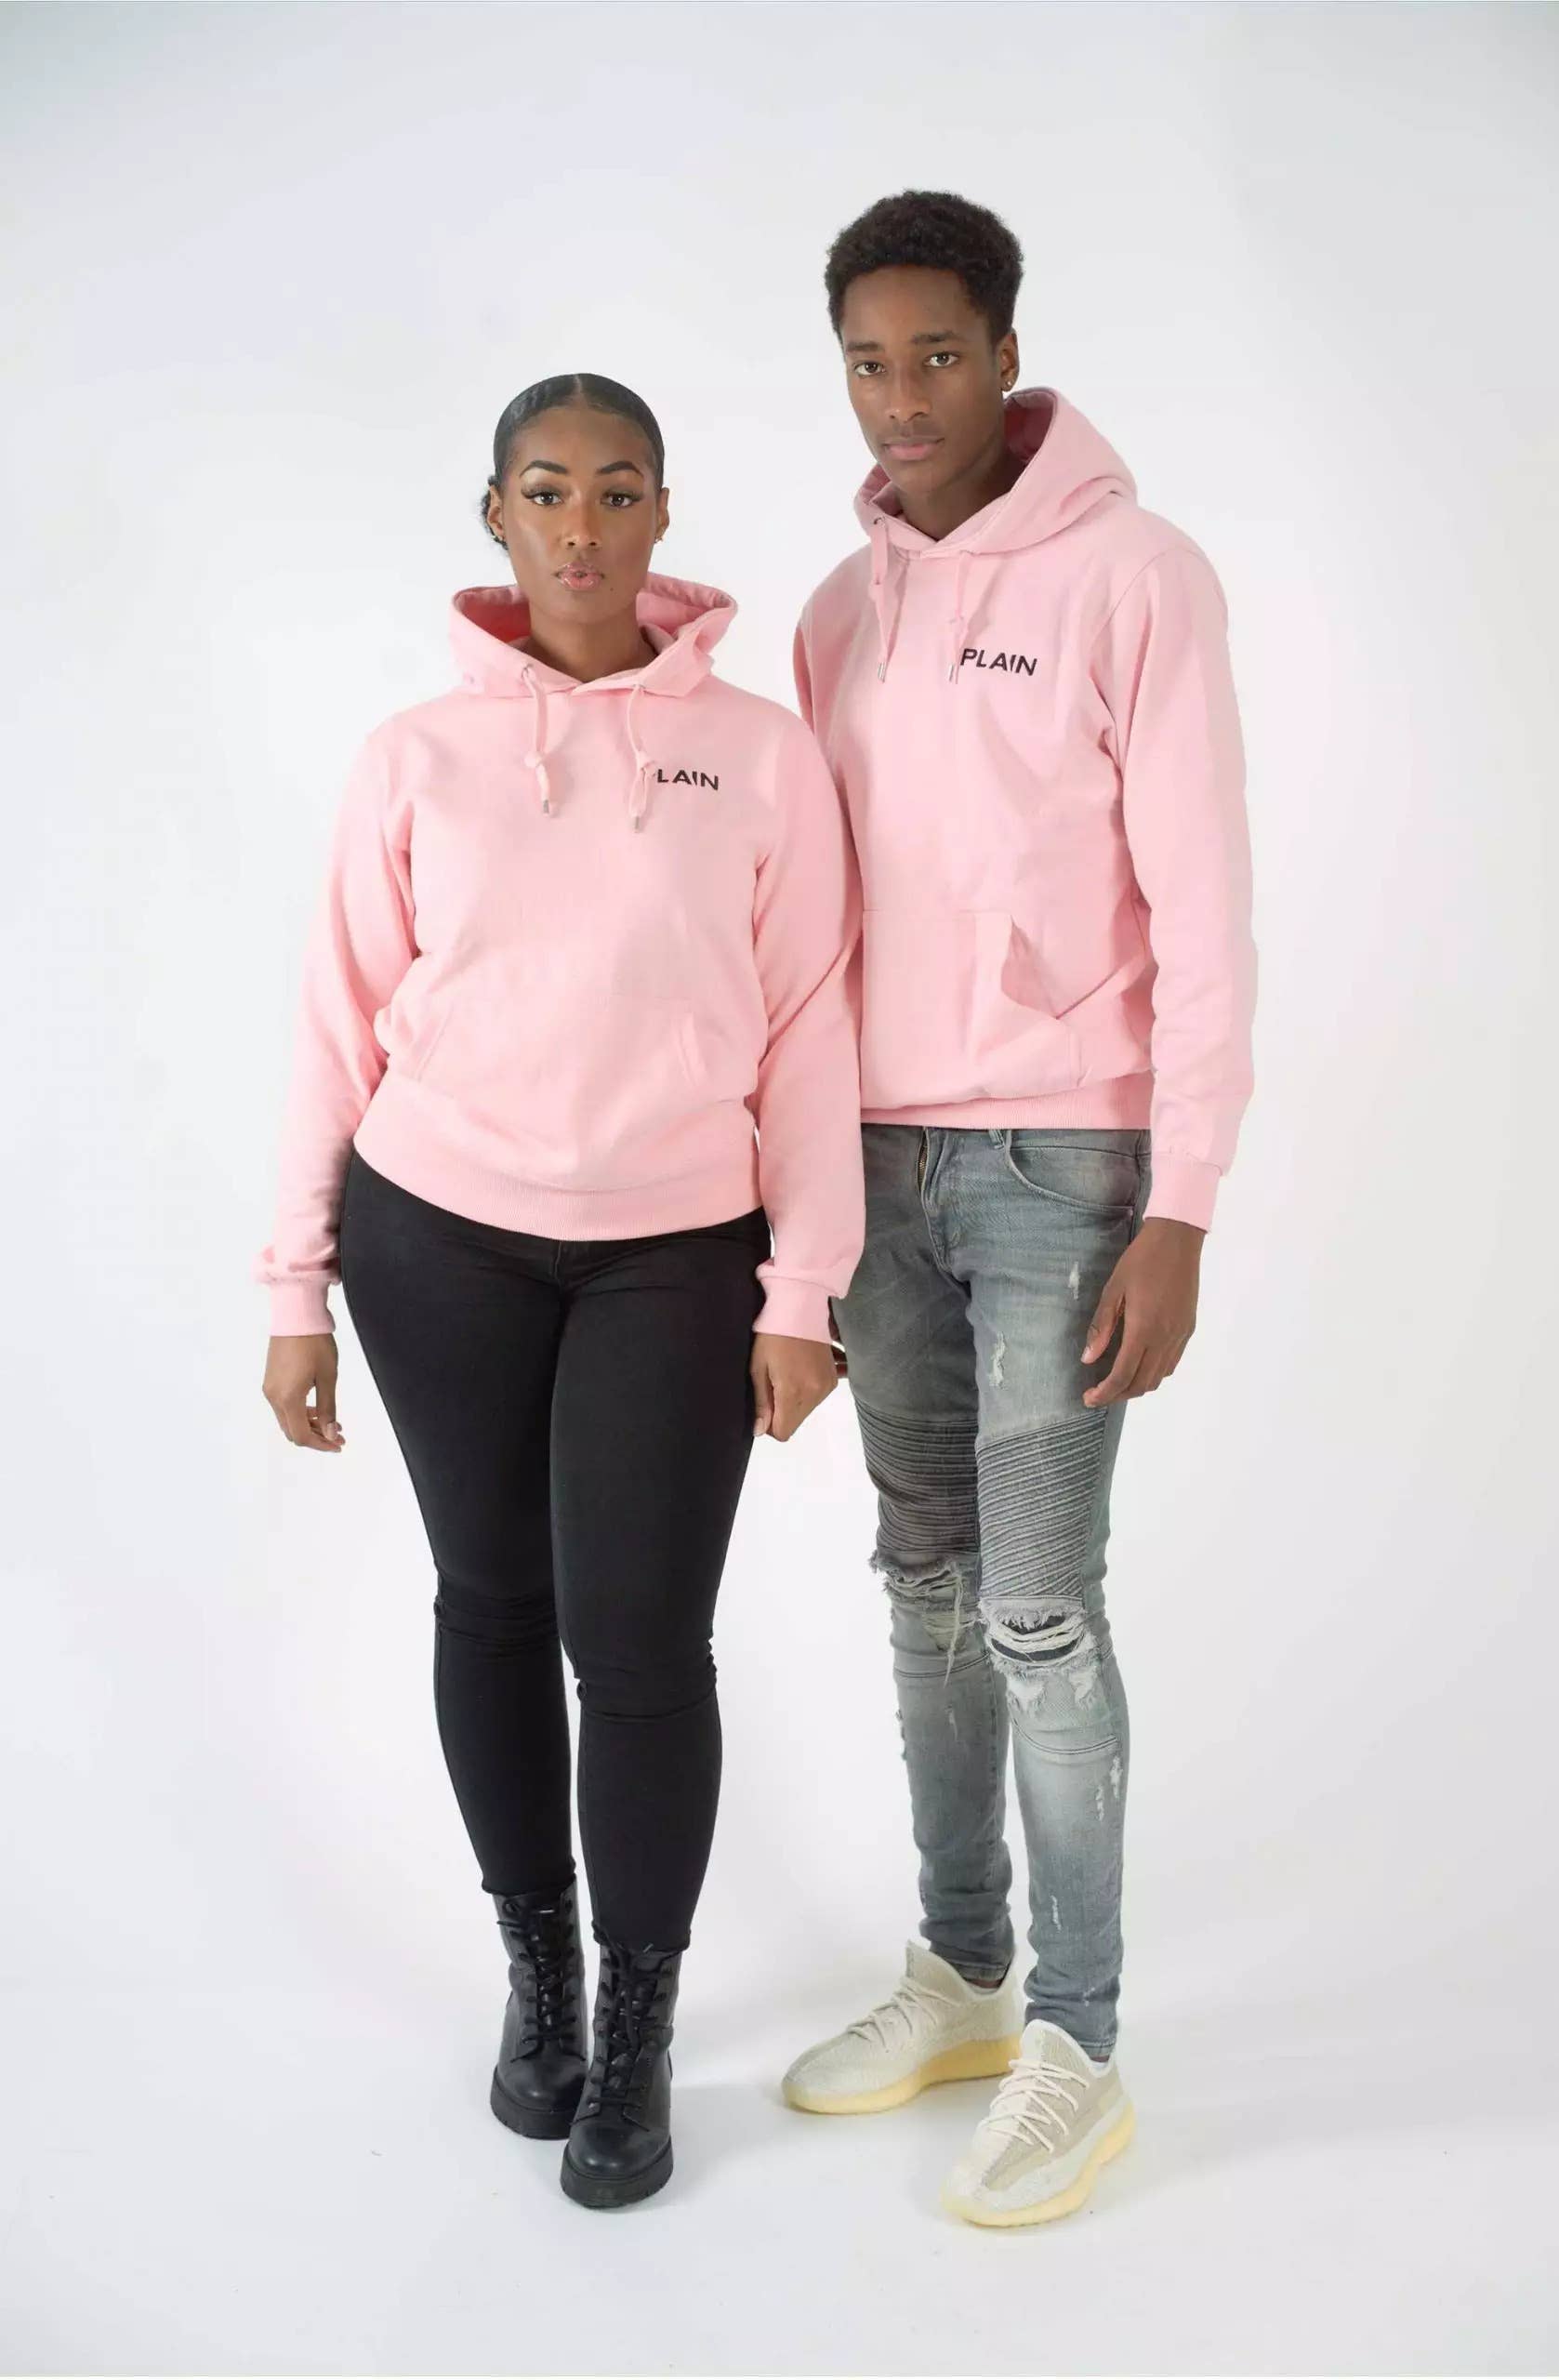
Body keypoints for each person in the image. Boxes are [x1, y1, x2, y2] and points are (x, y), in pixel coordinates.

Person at [255, 373, 863, 2210]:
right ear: (496, 517)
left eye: (614, 488)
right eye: (544, 490)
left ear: (662, 513)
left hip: (679, 1248)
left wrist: (805, 1288)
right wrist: (294, 1281)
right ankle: (542, 1978)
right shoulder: (414, 756)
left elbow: (809, 1024)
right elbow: (336, 1023)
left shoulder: (758, 753)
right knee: (495, 1602)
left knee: (642, 1643)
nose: (580, 524)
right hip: (436, 1231)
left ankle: (641, 2014)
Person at [780, 192, 1256, 2228]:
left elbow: (1207, 904)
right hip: (872, 1167)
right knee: (921, 1588)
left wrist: (1184, 1202)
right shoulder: (836, 613)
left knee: (1038, 1608)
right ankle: (963, 1973)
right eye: (867, 363)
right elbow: (799, 935)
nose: (902, 398)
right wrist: (792, 1213)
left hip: (1064, 1170)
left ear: (1004, 353)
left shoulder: (1136, 576)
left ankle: (1078, 2037)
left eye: (936, 355)